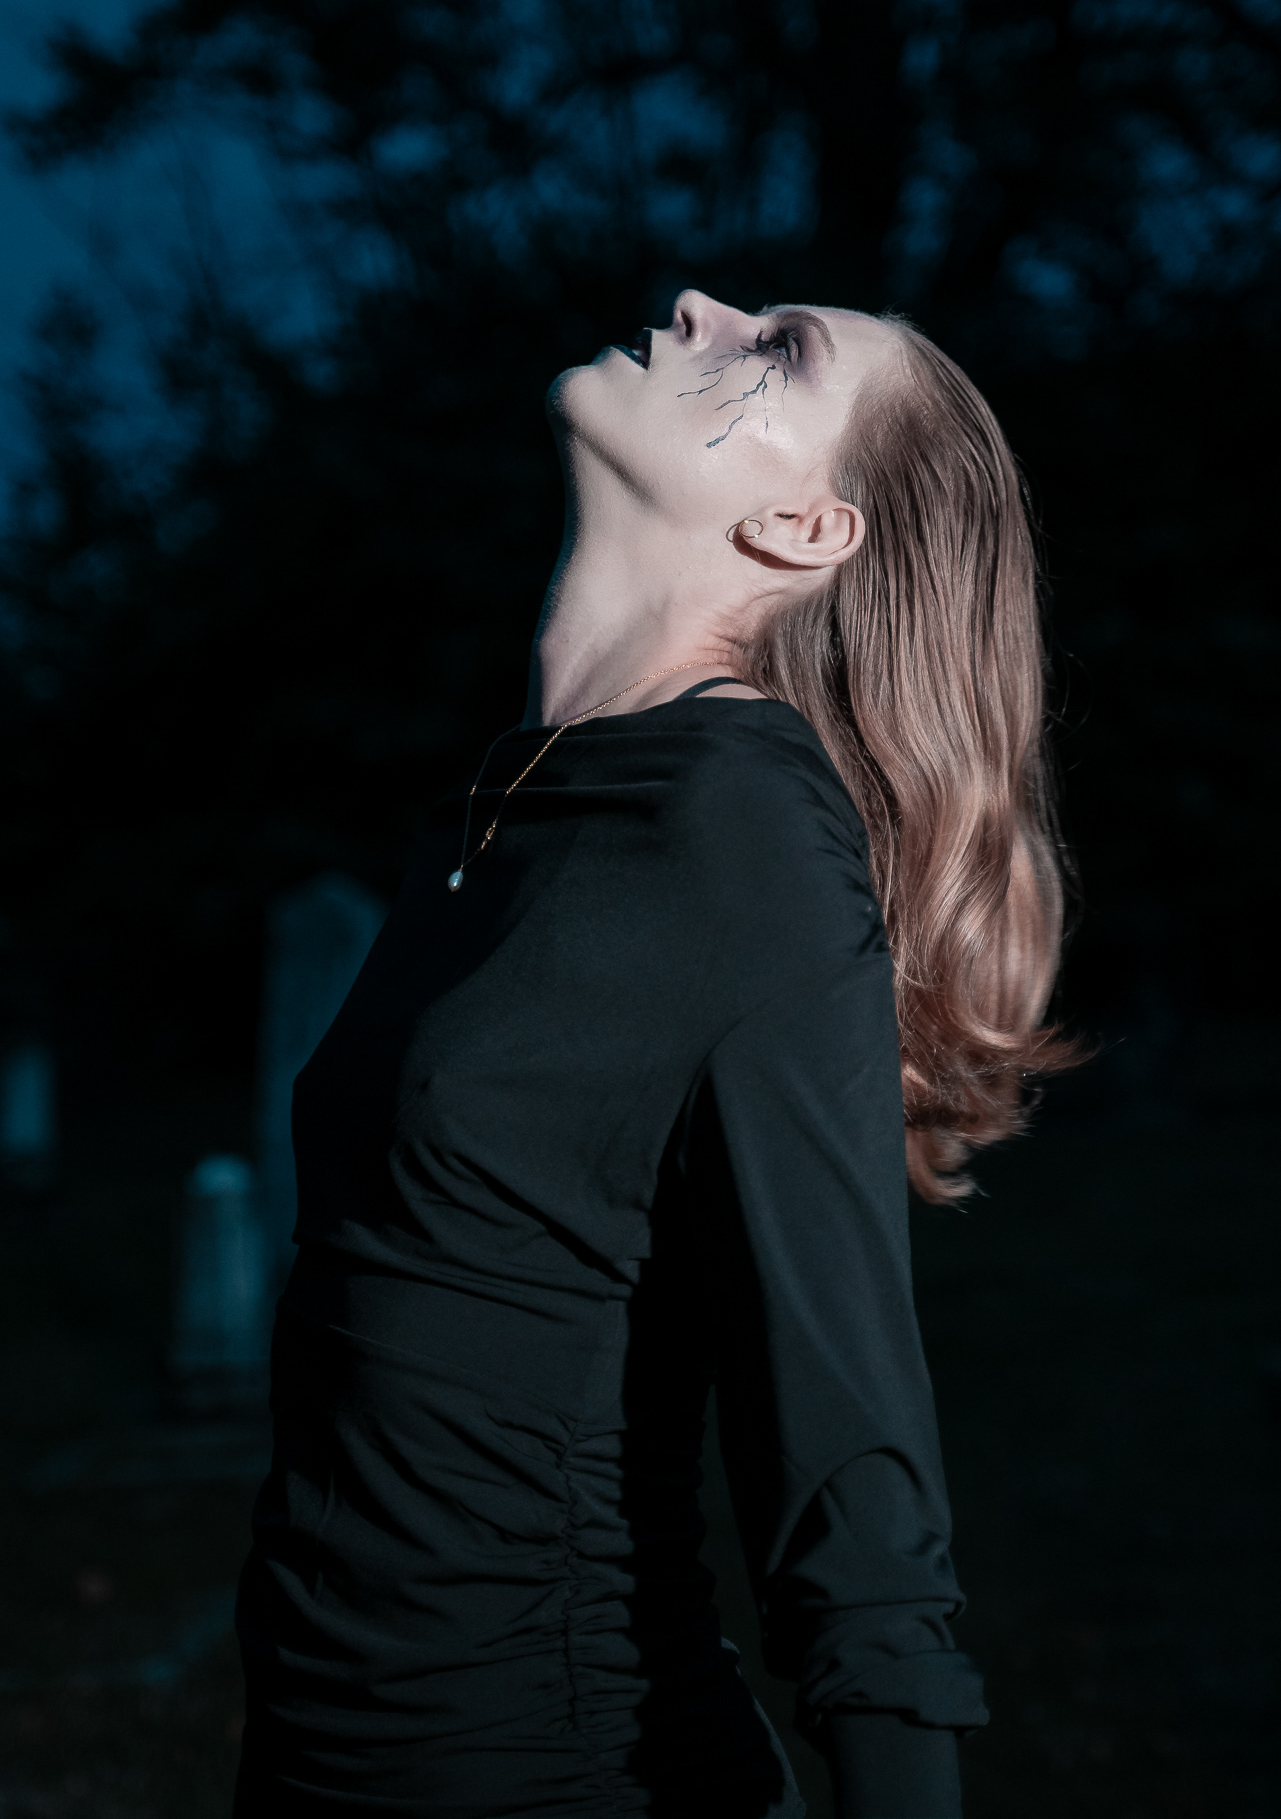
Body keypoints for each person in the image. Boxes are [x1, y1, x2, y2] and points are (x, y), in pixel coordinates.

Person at [234, 290, 1076, 1817]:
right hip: (320, 1755)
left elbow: (845, 1448)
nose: (700, 305)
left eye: (781, 350)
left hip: (555, 1770)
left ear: (805, 529)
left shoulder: (739, 829)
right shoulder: (517, 794)